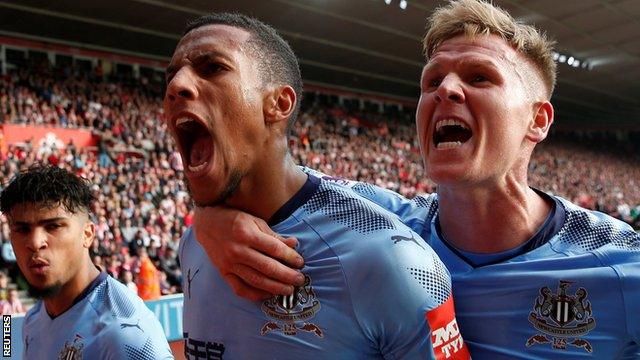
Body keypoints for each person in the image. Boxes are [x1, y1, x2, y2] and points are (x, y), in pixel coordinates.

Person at [193, 0, 640, 358]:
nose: (445, 90)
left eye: (479, 77)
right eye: (432, 82)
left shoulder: (619, 263)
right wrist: (214, 213)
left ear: (537, 120)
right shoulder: (380, 222)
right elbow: (260, 176)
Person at [164, 12, 469, 359]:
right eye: (170, 76)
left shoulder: (391, 260)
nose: (176, 86)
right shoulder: (194, 240)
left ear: (279, 104)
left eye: (213, 68)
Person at [0, 165, 173, 359]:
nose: (35, 243)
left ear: (87, 234)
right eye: (22, 230)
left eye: (53, 226)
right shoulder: (34, 318)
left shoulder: (126, 336)